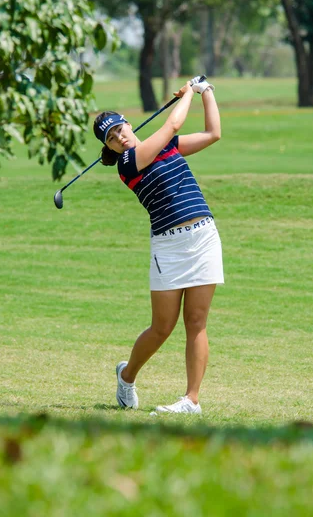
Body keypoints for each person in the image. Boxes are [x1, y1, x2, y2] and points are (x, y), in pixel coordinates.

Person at [93, 76, 224, 414]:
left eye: (120, 128)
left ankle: (191, 400)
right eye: (111, 137)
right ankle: (127, 376)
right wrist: (190, 93)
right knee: (162, 327)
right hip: (169, 246)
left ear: (128, 124)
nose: (119, 137)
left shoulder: (168, 146)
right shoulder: (127, 164)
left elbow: (213, 134)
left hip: (203, 235)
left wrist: (206, 91)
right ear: (108, 147)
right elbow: (173, 123)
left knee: (196, 321)